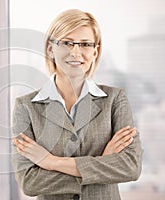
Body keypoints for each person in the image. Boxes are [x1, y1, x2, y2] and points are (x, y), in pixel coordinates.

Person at [11, 9, 143, 200]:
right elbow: (30, 183)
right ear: (50, 49)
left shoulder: (115, 100)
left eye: (85, 44)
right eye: (66, 43)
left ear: (95, 51)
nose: (75, 52)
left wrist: (51, 162)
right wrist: (102, 164)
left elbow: (130, 167)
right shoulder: (26, 107)